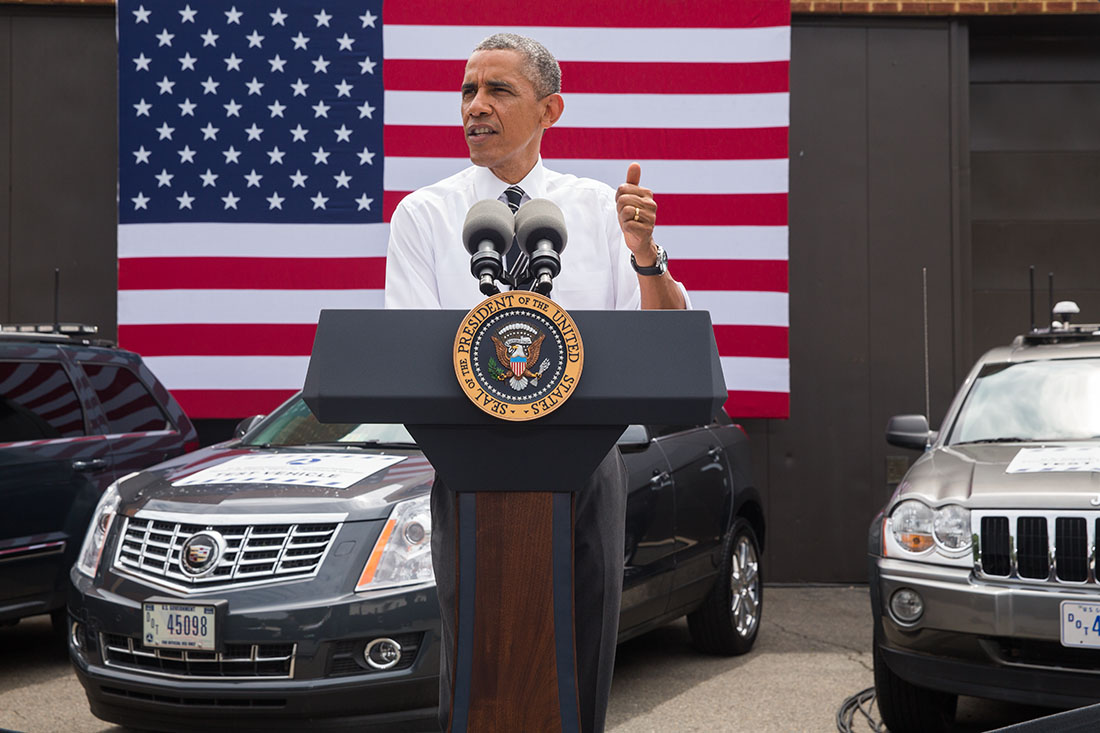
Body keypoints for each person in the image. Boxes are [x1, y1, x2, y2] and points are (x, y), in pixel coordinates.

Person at [384, 33, 688, 733]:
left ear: (551, 108)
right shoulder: (424, 214)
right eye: (467, 91)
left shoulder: (600, 211)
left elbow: (664, 336)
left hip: (585, 465)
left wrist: (647, 256)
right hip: (469, 466)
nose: (476, 107)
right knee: (476, 655)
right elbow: (407, 353)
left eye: (498, 90)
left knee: (583, 647)